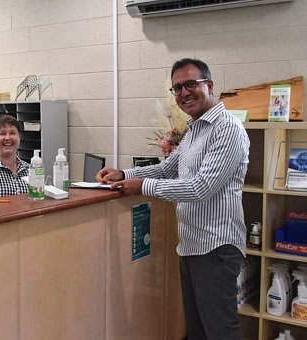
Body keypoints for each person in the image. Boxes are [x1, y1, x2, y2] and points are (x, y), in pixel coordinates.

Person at [97, 58, 250, 340]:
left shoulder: (226, 128)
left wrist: (142, 185)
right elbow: (168, 169)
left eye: (191, 84)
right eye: (177, 88)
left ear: (209, 85)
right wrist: (123, 173)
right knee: (197, 330)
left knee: (221, 331)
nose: (184, 93)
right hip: (192, 246)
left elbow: (201, 187)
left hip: (216, 247)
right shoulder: (195, 130)